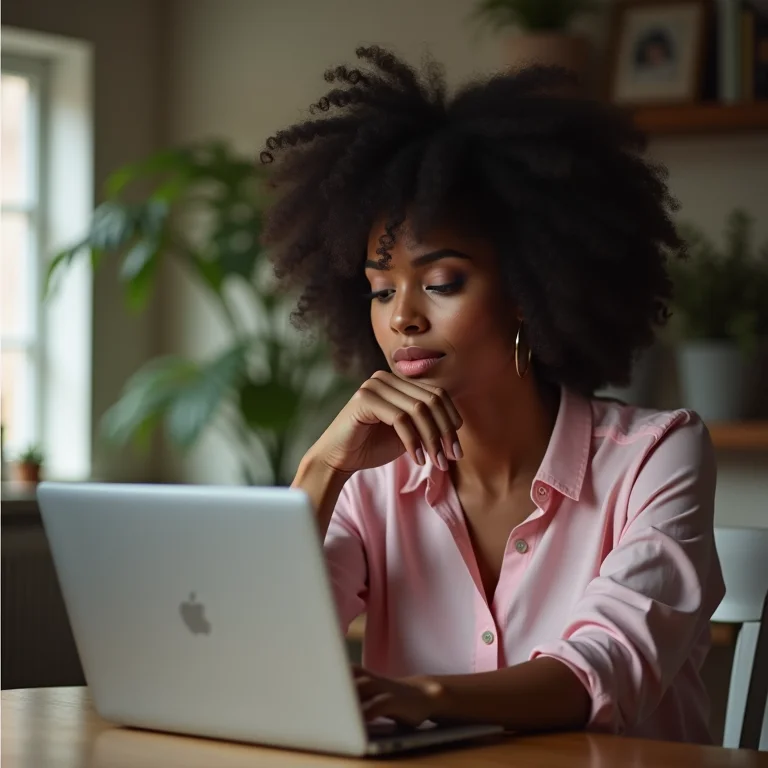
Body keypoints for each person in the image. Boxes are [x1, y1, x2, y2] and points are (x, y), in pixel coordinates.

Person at [259, 46, 725, 742]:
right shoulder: (371, 480)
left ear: (529, 292)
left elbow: (605, 667)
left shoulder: (656, 456)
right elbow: (263, 650)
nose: (402, 317)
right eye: (381, 290)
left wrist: (422, 695)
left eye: (441, 281)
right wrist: (320, 469)